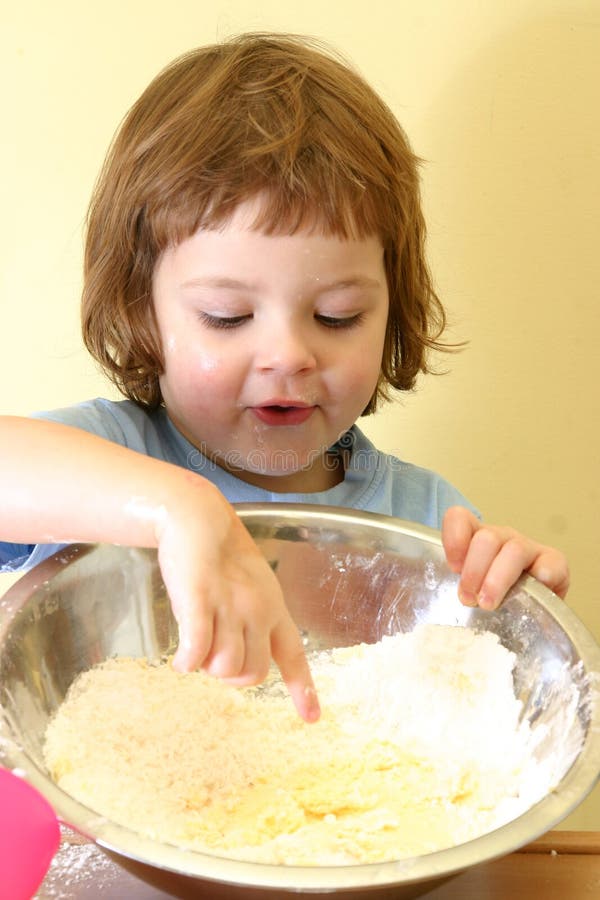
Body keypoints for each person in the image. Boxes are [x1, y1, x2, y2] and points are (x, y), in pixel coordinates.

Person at [0, 33, 569, 723]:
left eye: (337, 316)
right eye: (228, 315)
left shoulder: (420, 524)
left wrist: (518, 611)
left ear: (391, 310)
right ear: (141, 311)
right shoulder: (109, 456)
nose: (289, 355)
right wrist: (176, 507)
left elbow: (472, 723)